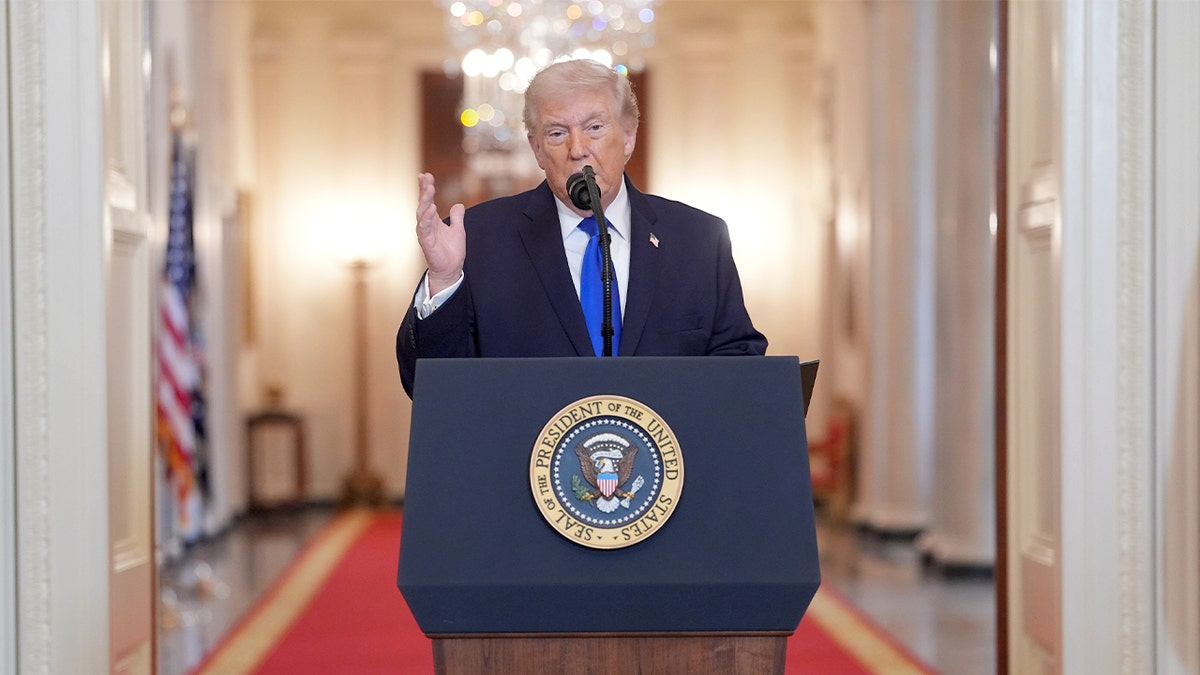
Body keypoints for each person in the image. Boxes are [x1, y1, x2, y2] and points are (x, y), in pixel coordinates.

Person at [397, 58, 766, 398]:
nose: (578, 149)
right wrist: (444, 282)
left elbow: (738, 367)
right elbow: (431, 388)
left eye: (594, 127)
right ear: (537, 150)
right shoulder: (480, 240)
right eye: (557, 133)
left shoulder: (698, 238)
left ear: (628, 137)